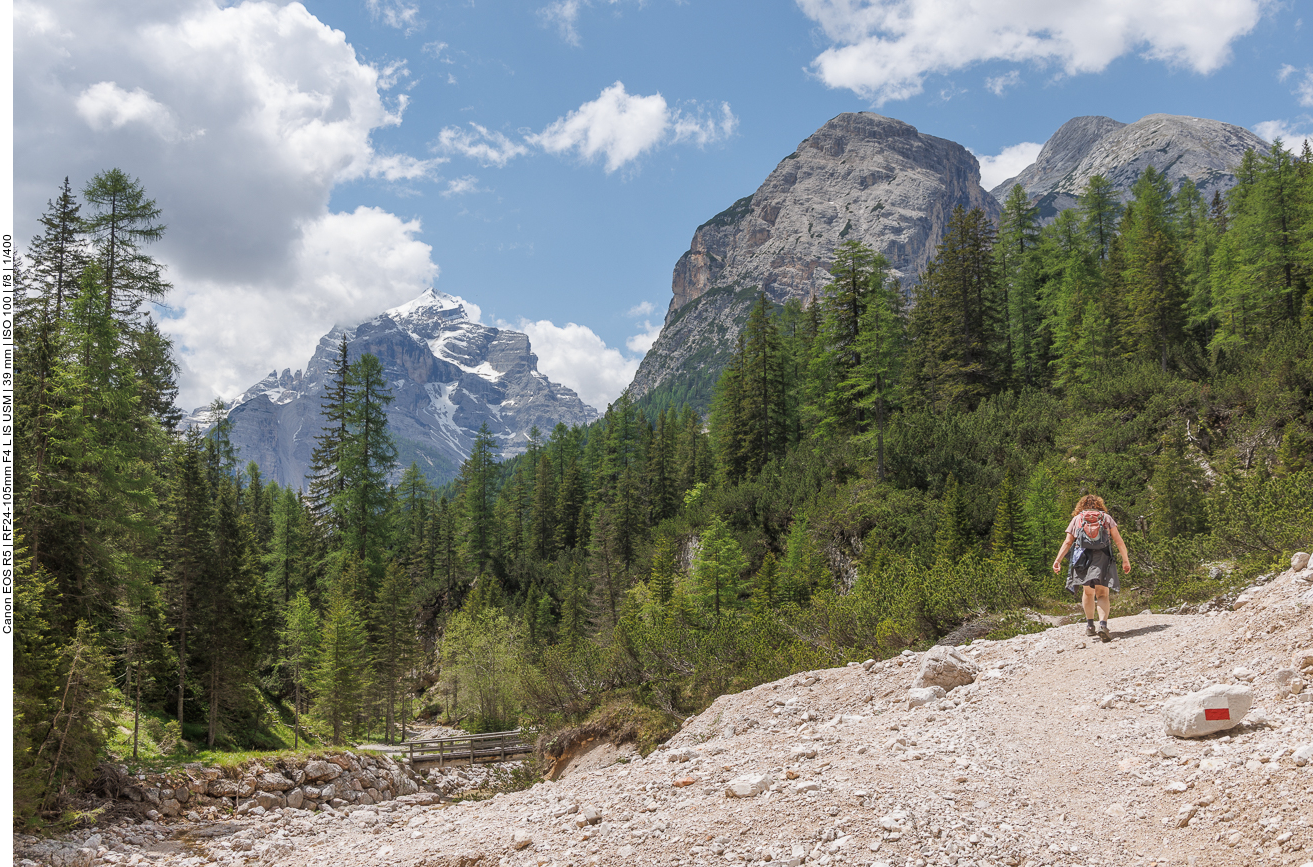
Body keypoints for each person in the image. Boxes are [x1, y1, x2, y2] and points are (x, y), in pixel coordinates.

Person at [1051, 494, 1131, 642]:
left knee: (1088, 593)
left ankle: (1089, 626)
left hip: (1082, 558)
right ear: (1100, 505)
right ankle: (1103, 625)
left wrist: (1058, 560)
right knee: (1102, 593)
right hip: (1103, 557)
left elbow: (1068, 542)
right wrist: (1125, 560)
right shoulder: (1106, 518)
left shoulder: (1077, 519)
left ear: (1081, 506)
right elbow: (1119, 542)